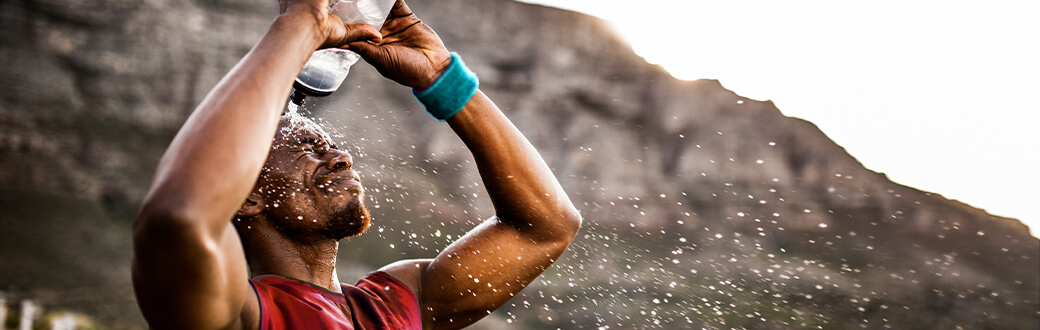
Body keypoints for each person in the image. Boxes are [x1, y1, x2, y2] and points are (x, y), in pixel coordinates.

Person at [130, 0, 582, 328]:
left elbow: (545, 226)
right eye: (307, 148)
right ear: (247, 193)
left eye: (329, 146)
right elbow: (179, 218)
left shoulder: (394, 305)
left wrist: (441, 76)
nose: (340, 156)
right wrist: (299, 25)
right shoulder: (235, 313)